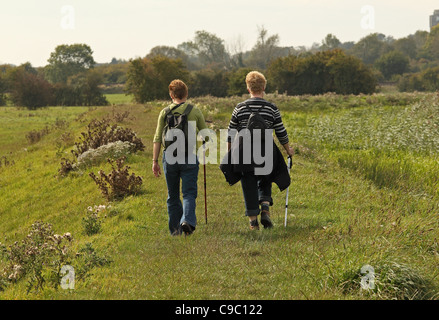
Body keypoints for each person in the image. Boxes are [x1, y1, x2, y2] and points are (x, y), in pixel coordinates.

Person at [227, 71, 294, 230]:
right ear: (264, 87)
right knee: (265, 178)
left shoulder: (240, 108)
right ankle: (265, 207)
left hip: (245, 151)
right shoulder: (272, 108)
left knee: (248, 182)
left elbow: (231, 132)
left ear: (248, 88)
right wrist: (287, 149)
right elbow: (280, 131)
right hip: (266, 150)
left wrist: (229, 153)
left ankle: (253, 221)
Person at [152, 79, 208, 236]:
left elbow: (157, 138)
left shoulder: (164, 112)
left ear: (171, 94)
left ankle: (175, 230)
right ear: (186, 94)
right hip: (189, 157)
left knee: (173, 195)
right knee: (189, 193)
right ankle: (187, 221)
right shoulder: (194, 110)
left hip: (169, 158)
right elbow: (206, 135)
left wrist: (155, 161)